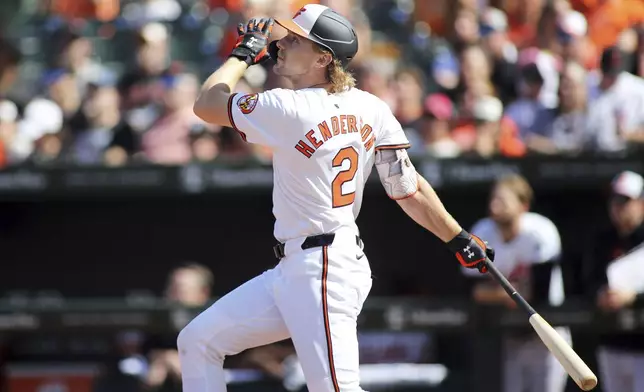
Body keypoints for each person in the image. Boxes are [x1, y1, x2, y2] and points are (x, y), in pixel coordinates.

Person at [176, 5, 494, 392]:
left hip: (322, 266)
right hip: (301, 267)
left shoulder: (287, 106)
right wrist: (457, 237)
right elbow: (405, 187)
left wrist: (242, 53)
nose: (281, 44)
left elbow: (206, 102)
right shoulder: (371, 106)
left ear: (323, 57)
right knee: (198, 341)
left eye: (295, 40)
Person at [462, 174, 567, 392]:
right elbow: (471, 289)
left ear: (523, 205)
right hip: (511, 334)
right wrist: (509, 293)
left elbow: (538, 293)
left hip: (548, 336)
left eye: (502, 200)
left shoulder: (540, 231)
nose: (495, 206)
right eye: (493, 200)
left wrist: (497, 292)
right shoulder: (483, 233)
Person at [583, 170, 644, 392]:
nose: (618, 207)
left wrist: (633, 298)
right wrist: (600, 294)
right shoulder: (602, 240)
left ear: (641, 204)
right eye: (614, 200)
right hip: (611, 342)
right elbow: (587, 282)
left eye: (625, 201)